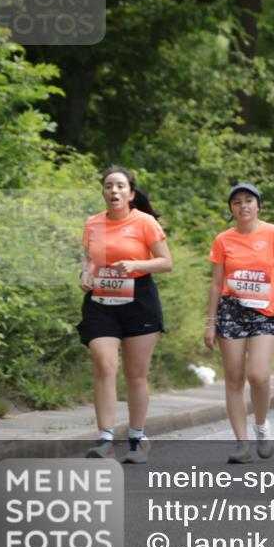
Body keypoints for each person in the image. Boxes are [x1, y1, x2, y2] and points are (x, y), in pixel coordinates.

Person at [80, 166, 173, 463]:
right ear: (104, 192)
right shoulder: (93, 224)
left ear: (131, 194)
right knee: (104, 364)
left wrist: (136, 265)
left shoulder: (145, 223)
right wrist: (85, 273)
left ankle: (137, 437)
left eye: (120, 186)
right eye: (109, 186)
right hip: (101, 301)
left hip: (139, 300)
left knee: (135, 375)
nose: (114, 191)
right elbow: (89, 259)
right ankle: (105, 439)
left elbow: (165, 262)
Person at [205, 183, 274, 463]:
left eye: (248, 201)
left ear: (258, 206)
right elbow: (217, 283)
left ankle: (261, 425)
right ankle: (241, 444)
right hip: (231, 311)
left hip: (265, 312)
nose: (243, 206)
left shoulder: (273, 234)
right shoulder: (223, 240)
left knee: (258, 374)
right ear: (231, 209)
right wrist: (210, 322)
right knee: (233, 378)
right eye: (236, 202)